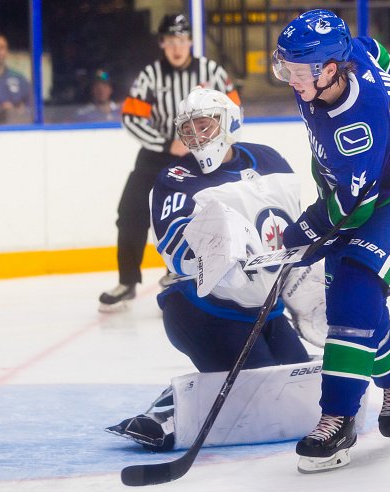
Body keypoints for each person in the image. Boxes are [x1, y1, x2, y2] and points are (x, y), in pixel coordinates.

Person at [106, 87, 329, 451]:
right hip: (203, 313)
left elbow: (291, 232)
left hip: (265, 312)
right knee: (259, 394)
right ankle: (164, 412)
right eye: (188, 129)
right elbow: (174, 249)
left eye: (205, 126)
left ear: (230, 123)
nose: (196, 137)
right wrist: (215, 257)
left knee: (295, 390)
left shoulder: (269, 160)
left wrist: (303, 286)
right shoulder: (175, 178)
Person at [272, 9, 390, 473]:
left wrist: (301, 234)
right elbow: (375, 50)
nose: (288, 77)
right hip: (358, 192)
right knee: (359, 310)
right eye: (284, 64)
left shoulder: (358, 129)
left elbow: (351, 208)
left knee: (353, 296)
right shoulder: (351, 57)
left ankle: (339, 418)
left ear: (330, 70)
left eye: (297, 70)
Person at [98, 13, 241, 312]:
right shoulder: (150, 75)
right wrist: (166, 143)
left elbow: (234, 109)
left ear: (190, 41)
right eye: (171, 41)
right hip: (157, 152)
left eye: (183, 40)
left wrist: (208, 141)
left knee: (195, 213)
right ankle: (127, 282)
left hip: (199, 155)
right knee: (130, 211)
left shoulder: (210, 71)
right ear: (162, 43)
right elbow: (131, 117)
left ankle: (179, 276)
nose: (177, 47)